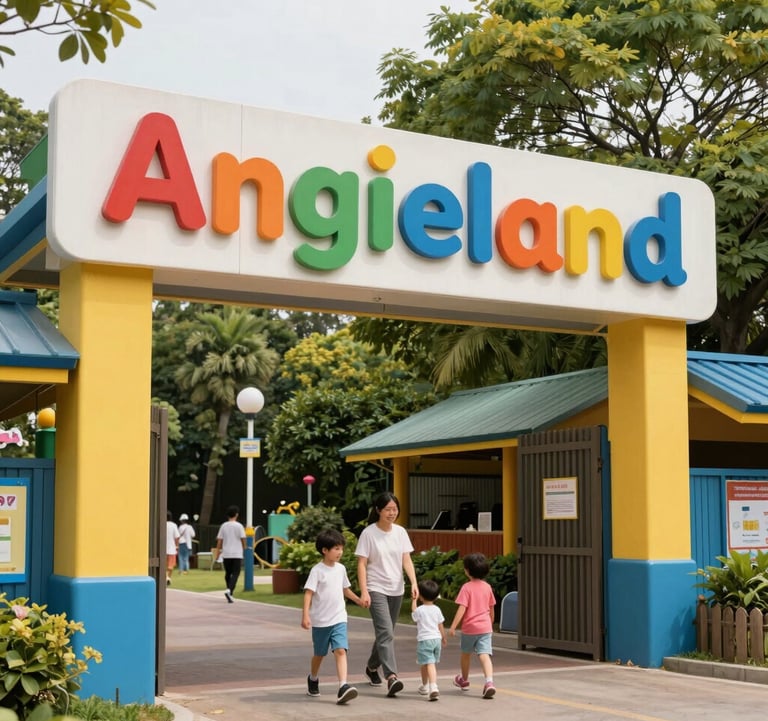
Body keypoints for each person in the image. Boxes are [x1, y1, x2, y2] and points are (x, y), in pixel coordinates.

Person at [356, 491, 418, 697]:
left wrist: (413, 582)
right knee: (386, 632)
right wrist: (364, 591)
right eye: (388, 509)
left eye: (395, 509)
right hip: (376, 588)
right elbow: (362, 564)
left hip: (397, 588)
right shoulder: (369, 533)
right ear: (378, 510)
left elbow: (406, 559)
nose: (392, 513)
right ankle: (391, 676)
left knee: (387, 632)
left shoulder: (400, 532)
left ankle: (371, 667)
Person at [301, 529, 363, 705]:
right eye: (336, 548)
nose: (340, 552)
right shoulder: (317, 571)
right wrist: (305, 615)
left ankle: (343, 686)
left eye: (341, 548)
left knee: (341, 650)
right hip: (321, 621)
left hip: (339, 618)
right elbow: (308, 593)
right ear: (324, 550)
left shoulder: (341, 569)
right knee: (319, 654)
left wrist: (358, 600)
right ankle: (313, 678)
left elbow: (345, 589)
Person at [448, 552, 496, 699]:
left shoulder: (466, 587)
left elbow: (462, 608)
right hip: (485, 627)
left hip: (469, 629)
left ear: (467, 570)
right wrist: (490, 622)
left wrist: (453, 626)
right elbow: (491, 608)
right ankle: (489, 682)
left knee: (466, 654)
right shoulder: (487, 587)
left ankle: (464, 680)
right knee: (485, 655)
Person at [411, 579, 447, 701]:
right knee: (427, 663)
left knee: (428, 664)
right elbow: (440, 624)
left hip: (425, 640)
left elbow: (414, 614)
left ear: (420, 596)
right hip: (436, 639)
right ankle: (426, 685)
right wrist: (443, 637)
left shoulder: (420, 610)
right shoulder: (437, 609)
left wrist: (414, 600)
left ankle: (432, 686)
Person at [215, 505, 246, 603]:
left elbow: (219, 541)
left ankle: (229, 591)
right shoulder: (239, 526)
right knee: (236, 573)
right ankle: (230, 590)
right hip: (237, 553)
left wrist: (217, 552)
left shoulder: (223, 526)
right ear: (236, 514)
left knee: (228, 573)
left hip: (226, 553)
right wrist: (244, 548)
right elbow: (243, 539)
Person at [165, 510, 179, 586]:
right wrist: (176, 546)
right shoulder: (173, 525)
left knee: (164, 565)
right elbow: (177, 537)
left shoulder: (161, 524)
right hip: (171, 548)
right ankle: (168, 578)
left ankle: (165, 577)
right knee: (171, 565)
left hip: (163, 549)